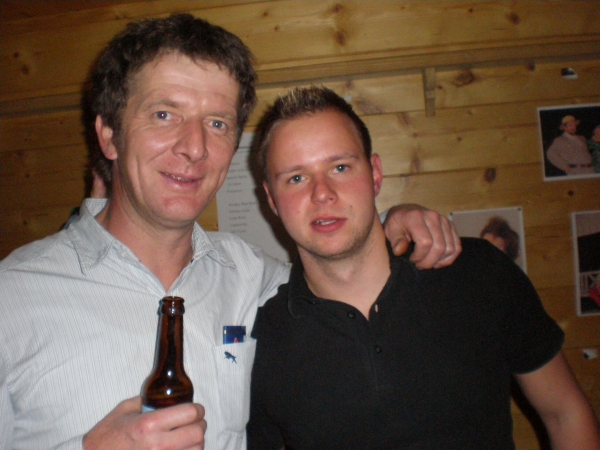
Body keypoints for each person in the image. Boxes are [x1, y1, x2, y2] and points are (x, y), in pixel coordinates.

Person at [0, 14, 462, 450]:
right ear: (108, 135)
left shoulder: (252, 275)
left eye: (217, 123)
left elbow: (340, 264)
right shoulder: (13, 298)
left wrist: (395, 223)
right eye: (164, 115)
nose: (195, 147)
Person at [247, 86, 600, 449]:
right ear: (272, 199)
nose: (322, 193)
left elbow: (565, 413)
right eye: (296, 178)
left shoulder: (477, 272)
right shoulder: (263, 340)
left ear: (375, 174)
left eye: (340, 167)